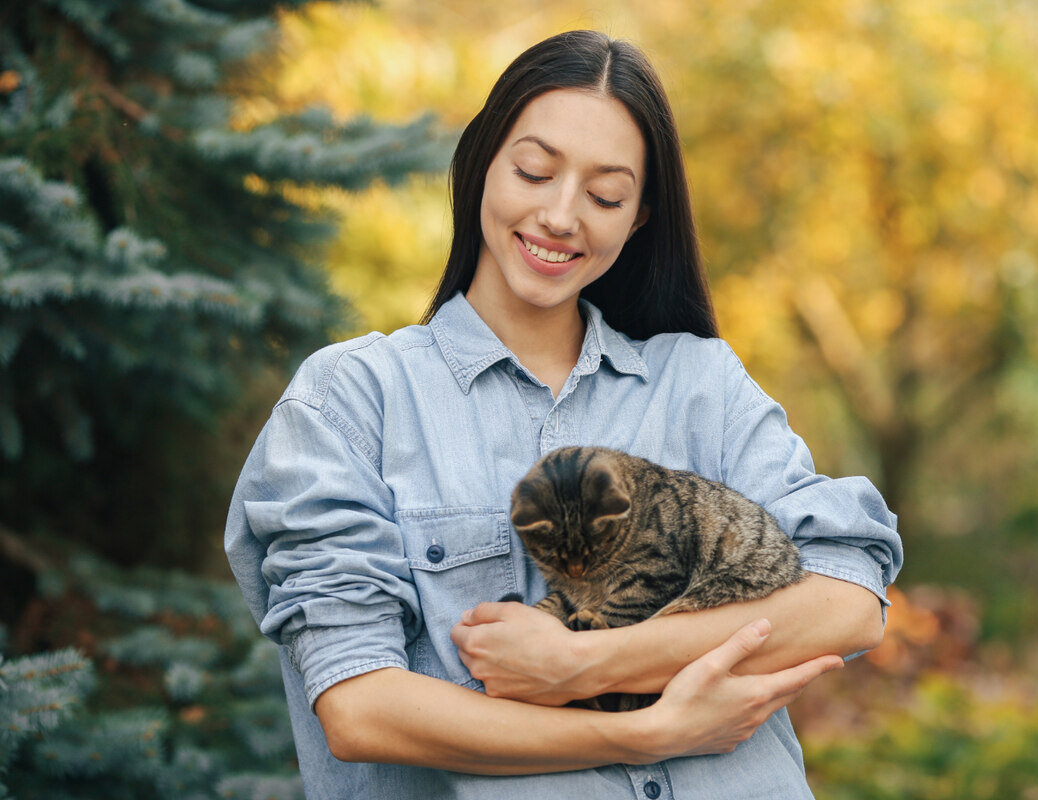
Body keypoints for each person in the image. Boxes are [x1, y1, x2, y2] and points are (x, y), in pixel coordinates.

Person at [225, 29, 902, 800]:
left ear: (642, 214)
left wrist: (585, 663)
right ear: (481, 160)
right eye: (534, 171)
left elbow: (847, 599)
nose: (559, 215)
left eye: (605, 195)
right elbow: (360, 706)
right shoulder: (351, 400)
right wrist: (642, 732)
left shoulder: (699, 384)